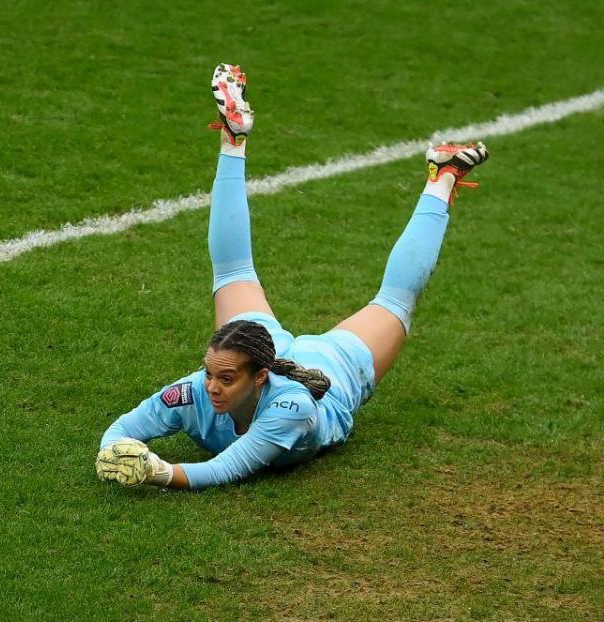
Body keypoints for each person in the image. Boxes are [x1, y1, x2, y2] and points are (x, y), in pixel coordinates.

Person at [95, 64, 489, 490]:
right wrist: (114, 452)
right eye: (210, 373)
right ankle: (232, 139)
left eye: (225, 379)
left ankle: (442, 177)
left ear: (258, 378)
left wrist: (155, 470)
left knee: (395, 302)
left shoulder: (292, 408)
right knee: (234, 271)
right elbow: (120, 430)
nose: (211, 386)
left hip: (333, 372)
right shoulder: (193, 392)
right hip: (259, 341)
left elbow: (227, 468)